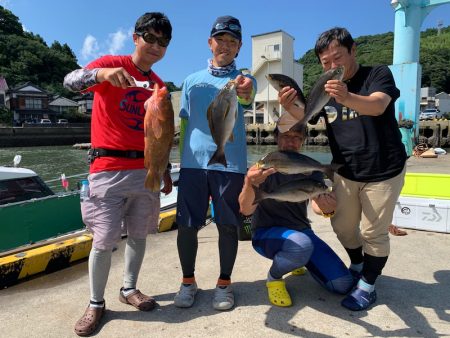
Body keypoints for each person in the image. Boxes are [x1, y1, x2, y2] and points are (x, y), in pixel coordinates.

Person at [278, 27, 407, 311]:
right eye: (326, 63)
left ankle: (368, 286)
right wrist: (291, 107)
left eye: (338, 58)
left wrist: (347, 96)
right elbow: (308, 116)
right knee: (343, 226)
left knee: (374, 233)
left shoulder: (377, 74)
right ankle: (359, 263)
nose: (332, 66)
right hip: (346, 170)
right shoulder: (325, 85)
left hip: (384, 169)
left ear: (353, 51)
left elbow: (378, 106)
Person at [63, 12, 173, 336]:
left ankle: (128, 289)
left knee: (139, 235)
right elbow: (68, 83)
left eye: (163, 42)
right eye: (150, 38)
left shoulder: (159, 87)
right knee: (104, 239)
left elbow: (163, 135)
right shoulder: (111, 63)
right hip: (107, 169)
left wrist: (164, 170)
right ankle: (96, 303)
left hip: (146, 170)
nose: (155, 46)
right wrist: (102, 75)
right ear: (135, 37)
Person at [174, 15, 256, 311]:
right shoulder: (191, 81)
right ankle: (187, 282)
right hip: (193, 164)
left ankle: (224, 284)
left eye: (232, 41)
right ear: (210, 43)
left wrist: (245, 88)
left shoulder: (244, 80)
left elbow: (247, 94)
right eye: (220, 39)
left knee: (228, 226)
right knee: (186, 225)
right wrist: (179, 161)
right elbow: (184, 126)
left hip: (230, 165)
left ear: (239, 48)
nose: (225, 45)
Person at [238, 124, 354, 307]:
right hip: (265, 234)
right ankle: (274, 277)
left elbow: (317, 206)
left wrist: (328, 209)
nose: (290, 141)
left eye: (296, 137)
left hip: (301, 232)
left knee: (342, 285)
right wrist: (248, 182)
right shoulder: (261, 168)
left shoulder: (312, 169)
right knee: (301, 245)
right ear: (276, 138)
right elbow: (245, 210)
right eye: (285, 136)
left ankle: (297, 259)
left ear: (303, 141)